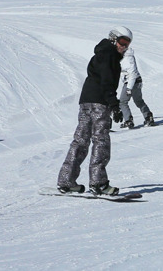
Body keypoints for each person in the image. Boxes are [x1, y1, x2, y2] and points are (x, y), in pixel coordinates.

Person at [56, 26, 133, 196]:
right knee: (101, 141)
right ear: (114, 39)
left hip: (86, 101)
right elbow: (106, 81)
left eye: (127, 44)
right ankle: (98, 183)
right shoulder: (110, 55)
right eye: (122, 42)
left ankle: (66, 180)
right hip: (99, 102)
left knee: (80, 140)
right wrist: (113, 104)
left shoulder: (100, 53)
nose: (124, 46)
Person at [118, 47, 155, 129]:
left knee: (123, 102)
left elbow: (132, 74)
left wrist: (129, 88)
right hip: (136, 81)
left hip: (131, 82)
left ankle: (128, 120)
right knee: (138, 101)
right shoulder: (126, 57)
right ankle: (148, 117)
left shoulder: (128, 59)